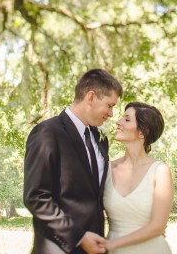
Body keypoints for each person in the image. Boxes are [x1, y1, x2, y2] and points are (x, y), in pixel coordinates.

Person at [24, 69, 123, 254]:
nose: (111, 113)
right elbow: (36, 197)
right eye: (109, 105)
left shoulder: (100, 139)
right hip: (58, 247)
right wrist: (78, 236)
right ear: (91, 97)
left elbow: (96, 197)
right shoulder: (47, 133)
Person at [103, 102, 173, 254]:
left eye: (127, 119)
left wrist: (112, 244)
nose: (118, 122)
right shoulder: (106, 168)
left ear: (142, 132)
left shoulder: (160, 171)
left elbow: (158, 227)